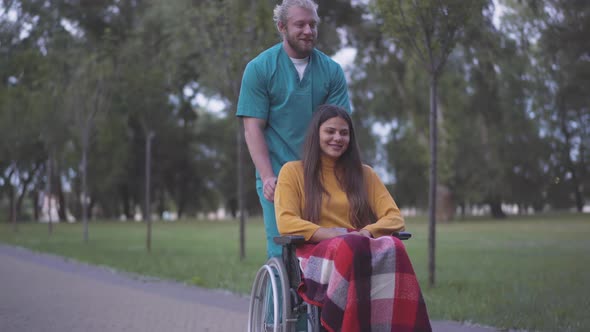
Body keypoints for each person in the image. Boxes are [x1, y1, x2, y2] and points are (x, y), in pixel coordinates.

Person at [275, 105, 432, 332]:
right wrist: (332, 234)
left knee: (394, 245)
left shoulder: (364, 173)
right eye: (330, 131)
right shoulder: (292, 171)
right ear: (316, 134)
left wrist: (367, 232)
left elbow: (394, 217)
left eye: (344, 133)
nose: (337, 138)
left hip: (358, 244)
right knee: (351, 246)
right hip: (315, 251)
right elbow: (286, 221)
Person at [236, 0, 351, 258]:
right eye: (300, 24)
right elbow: (252, 129)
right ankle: (279, 297)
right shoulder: (260, 69)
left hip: (322, 177)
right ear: (282, 27)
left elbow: (339, 129)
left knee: (329, 250)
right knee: (283, 253)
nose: (308, 31)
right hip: (277, 177)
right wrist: (266, 176)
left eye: (313, 24)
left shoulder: (331, 72)